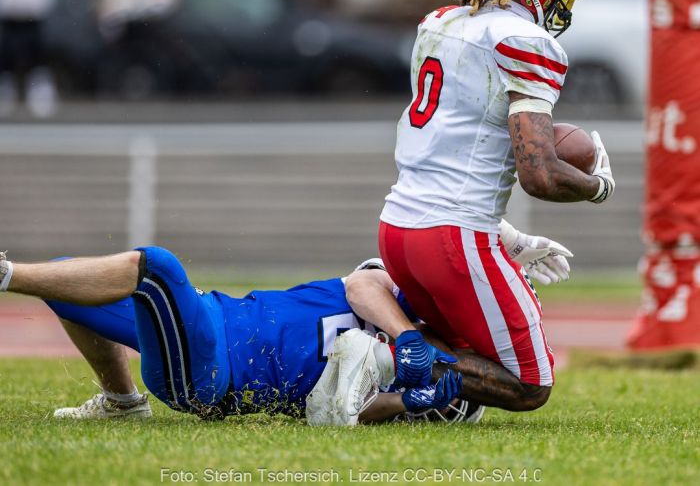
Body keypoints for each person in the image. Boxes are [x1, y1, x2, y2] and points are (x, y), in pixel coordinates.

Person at [377, 0, 615, 407]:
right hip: (451, 238)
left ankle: (380, 352)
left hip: (398, 228)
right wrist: (598, 187)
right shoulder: (524, 40)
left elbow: (450, 144)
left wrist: (507, 236)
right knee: (531, 383)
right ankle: (369, 360)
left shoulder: (439, 23)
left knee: (463, 349)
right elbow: (540, 175)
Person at [0, 226, 570, 424]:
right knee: (62, 276)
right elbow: (359, 286)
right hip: (214, 313)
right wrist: (408, 337)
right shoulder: (397, 300)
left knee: (157, 266)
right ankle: (122, 400)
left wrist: (413, 402)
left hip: (216, 373)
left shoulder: (451, 382)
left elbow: (346, 410)